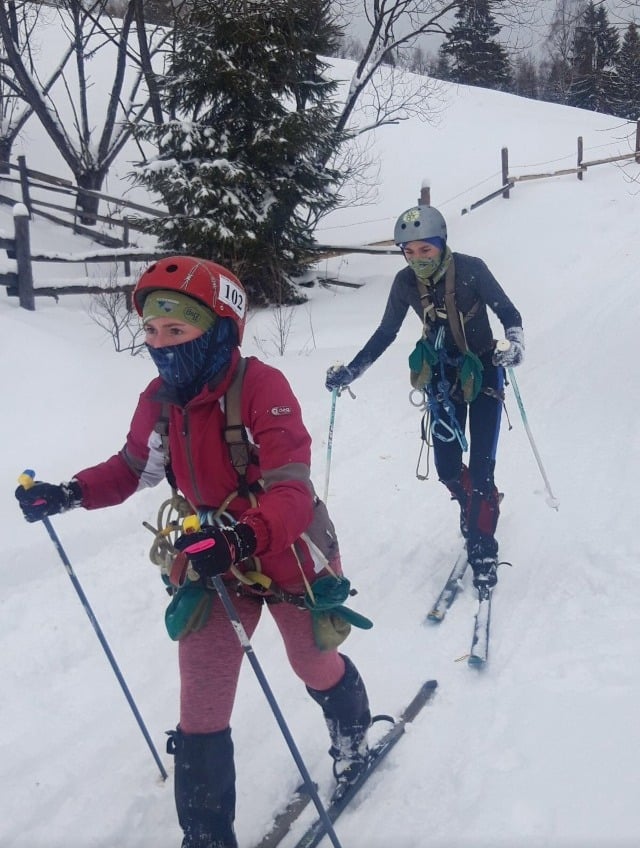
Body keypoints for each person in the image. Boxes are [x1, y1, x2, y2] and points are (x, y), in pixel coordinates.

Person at [16, 257, 372, 848]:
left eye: (175, 331)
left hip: (286, 554)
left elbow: (292, 488)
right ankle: (207, 835)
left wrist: (242, 535)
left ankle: (352, 738)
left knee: (312, 662)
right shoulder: (159, 398)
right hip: (211, 558)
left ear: (218, 329)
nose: (159, 344)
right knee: (201, 704)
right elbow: (134, 468)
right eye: (151, 332)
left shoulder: (263, 386)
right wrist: (71, 492)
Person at [325, 204, 524, 589]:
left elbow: (509, 313)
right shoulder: (403, 284)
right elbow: (386, 332)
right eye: (408, 251)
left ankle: (482, 544)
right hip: (442, 381)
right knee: (448, 468)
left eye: (425, 250)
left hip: (483, 373)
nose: (416, 259)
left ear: (441, 244)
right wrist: (352, 370)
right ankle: (477, 505)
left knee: (481, 468)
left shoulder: (472, 270)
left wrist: (514, 346)